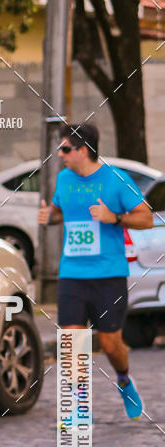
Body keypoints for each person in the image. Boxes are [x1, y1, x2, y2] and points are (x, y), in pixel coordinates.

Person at [38, 122, 153, 419]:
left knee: (110, 344)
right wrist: (49, 216)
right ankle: (79, 407)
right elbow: (61, 210)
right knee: (71, 341)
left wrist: (113, 217)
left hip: (108, 276)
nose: (60, 155)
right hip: (72, 275)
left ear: (83, 151)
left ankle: (125, 380)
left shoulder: (116, 179)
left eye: (65, 149)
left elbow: (146, 218)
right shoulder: (64, 179)